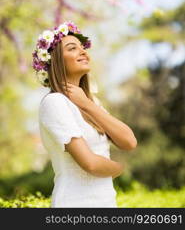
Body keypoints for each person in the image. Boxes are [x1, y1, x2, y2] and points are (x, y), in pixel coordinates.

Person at [32, 21, 137, 207]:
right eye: (72, 48)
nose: (83, 52)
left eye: (83, 48)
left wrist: (86, 104)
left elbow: (129, 142)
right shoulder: (54, 103)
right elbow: (90, 164)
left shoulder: (92, 103)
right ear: (56, 61)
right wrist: (121, 168)